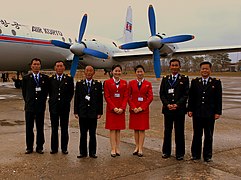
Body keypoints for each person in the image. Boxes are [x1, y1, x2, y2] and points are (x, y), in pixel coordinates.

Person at [188, 61, 222, 162]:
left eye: (207, 68)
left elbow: (218, 98)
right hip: (197, 113)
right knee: (197, 134)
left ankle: (207, 155)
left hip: (210, 114)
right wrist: (190, 109)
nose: (204, 70)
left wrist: (218, 112)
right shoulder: (195, 82)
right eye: (203, 68)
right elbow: (192, 97)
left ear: (210, 70)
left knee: (209, 135)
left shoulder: (216, 82)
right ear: (200, 70)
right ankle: (195, 154)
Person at [159, 59, 189, 160]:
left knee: (179, 131)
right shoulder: (165, 78)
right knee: (167, 131)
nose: (174, 67)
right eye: (173, 65)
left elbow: (186, 94)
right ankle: (166, 152)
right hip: (168, 110)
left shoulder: (184, 79)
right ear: (170, 66)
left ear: (179, 66)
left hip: (179, 110)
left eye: (176, 65)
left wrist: (177, 104)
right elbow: (162, 93)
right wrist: (167, 104)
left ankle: (180, 153)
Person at [74, 66, 103, 158]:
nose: (89, 73)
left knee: (92, 134)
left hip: (93, 113)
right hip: (82, 112)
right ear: (84, 72)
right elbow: (76, 99)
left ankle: (92, 152)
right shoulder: (79, 84)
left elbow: (100, 99)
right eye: (87, 71)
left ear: (94, 72)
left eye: (91, 71)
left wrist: (99, 112)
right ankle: (82, 152)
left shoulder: (97, 84)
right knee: (83, 134)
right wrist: (76, 111)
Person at [22, 58, 49, 154]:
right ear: (31, 66)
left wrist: (42, 102)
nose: (36, 66)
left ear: (40, 66)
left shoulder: (44, 78)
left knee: (40, 128)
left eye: (38, 64)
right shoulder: (26, 78)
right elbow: (24, 93)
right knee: (29, 128)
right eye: (34, 64)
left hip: (40, 107)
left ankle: (39, 147)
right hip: (29, 107)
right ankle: (29, 147)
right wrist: (29, 102)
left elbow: (46, 92)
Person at [48, 60, 74, 154]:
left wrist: (66, 101)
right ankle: (54, 148)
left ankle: (64, 148)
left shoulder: (69, 79)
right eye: (57, 66)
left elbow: (71, 93)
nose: (59, 68)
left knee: (64, 128)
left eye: (61, 66)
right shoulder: (50, 79)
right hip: (54, 107)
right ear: (55, 68)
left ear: (64, 68)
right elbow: (50, 92)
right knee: (54, 128)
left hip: (64, 107)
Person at [128, 65, 153, 157]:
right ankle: (136, 146)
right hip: (134, 110)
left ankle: (141, 148)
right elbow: (128, 96)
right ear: (135, 73)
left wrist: (142, 107)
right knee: (136, 129)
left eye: (141, 71)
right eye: (138, 71)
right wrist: (133, 107)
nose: (139, 73)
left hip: (143, 110)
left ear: (144, 72)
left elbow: (150, 97)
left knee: (142, 129)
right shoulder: (131, 83)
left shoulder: (148, 84)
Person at [104, 64, 128, 157]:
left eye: (119, 71)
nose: (117, 72)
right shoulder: (107, 82)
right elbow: (107, 96)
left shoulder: (125, 83)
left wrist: (122, 108)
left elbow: (126, 97)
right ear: (112, 72)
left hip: (121, 110)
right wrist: (114, 107)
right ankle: (113, 148)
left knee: (118, 130)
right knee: (112, 130)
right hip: (112, 109)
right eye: (115, 71)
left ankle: (117, 148)